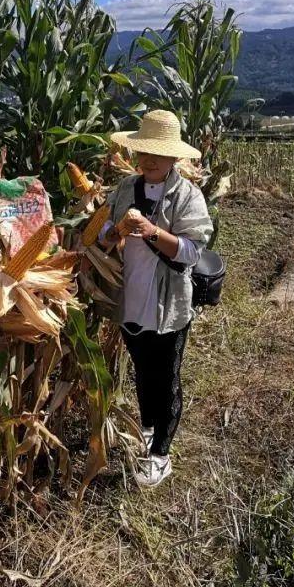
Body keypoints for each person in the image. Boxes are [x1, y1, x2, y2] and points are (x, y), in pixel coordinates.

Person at [97, 109, 213, 487]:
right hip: (131, 299)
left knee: (167, 378)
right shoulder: (125, 188)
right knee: (143, 373)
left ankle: (161, 453)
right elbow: (105, 236)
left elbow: (193, 250)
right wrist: (113, 232)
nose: (149, 160)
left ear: (174, 158)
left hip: (169, 305)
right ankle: (146, 430)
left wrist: (150, 231)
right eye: (144, 151)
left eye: (159, 153)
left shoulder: (186, 195)